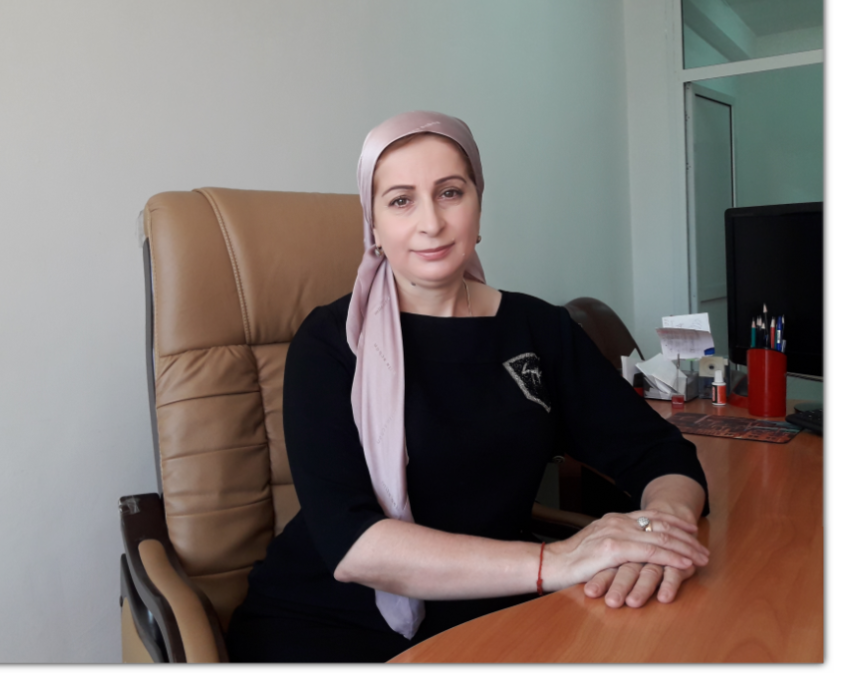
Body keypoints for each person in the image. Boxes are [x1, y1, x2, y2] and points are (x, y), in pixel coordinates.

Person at [225, 111, 710, 663]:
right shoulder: (331, 342)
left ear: (478, 205)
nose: (431, 223)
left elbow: (658, 452)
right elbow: (353, 543)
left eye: (450, 192)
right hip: (328, 622)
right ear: (373, 226)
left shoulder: (540, 329)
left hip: (492, 609)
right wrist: (559, 561)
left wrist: (659, 534)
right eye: (401, 200)